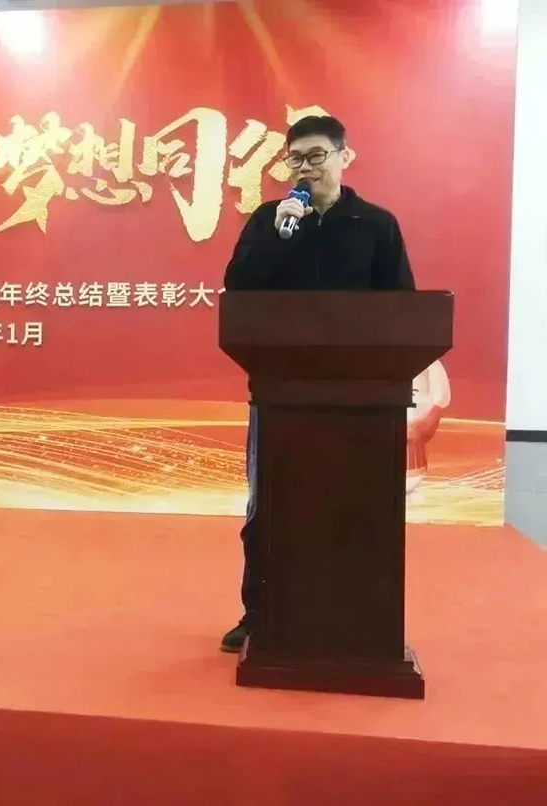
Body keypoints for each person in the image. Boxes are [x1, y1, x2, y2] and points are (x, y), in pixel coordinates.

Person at [219, 115, 416, 652]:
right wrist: (278, 237)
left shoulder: (376, 225)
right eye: (295, 159)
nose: (304, 168)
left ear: (344, 156)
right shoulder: (269, 220)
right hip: (278, 392)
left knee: (352, 503)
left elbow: (401, 308)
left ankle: (358, 613)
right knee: (268, 505)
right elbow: (238, 291)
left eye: (316, 156)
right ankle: (260, 613)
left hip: (362, 400)